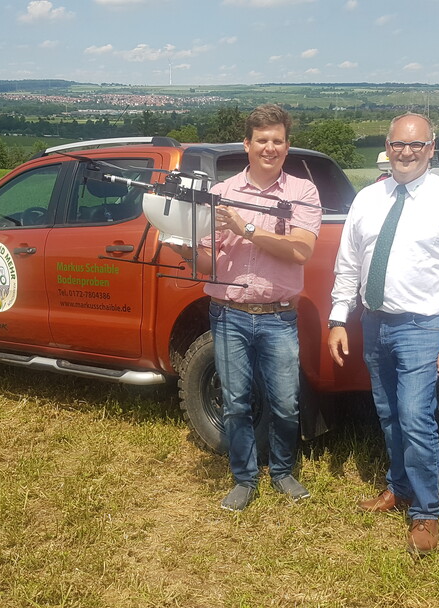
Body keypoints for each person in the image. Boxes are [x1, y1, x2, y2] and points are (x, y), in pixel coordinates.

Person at [327, 113, 439, 555]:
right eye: (399, 144)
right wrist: (339, 318)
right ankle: (399, 488)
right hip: (375, 323)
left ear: (432, 149)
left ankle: (426, 513)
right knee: (389, 413)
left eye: (417, 145)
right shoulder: (368, 199)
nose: (407, 152)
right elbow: (349, 264)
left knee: (416, 416)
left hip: (425, 325)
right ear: (388, 147)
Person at [174, 104, 323, 511]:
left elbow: (300, 251)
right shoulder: (220, 195)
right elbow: (207, 261)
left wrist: (247, 229)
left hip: (278, 315)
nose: (269, 148)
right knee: (237, 401)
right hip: (228, 314)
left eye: (277, 141)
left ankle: (282, 472)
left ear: (286, 146)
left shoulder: (302, 194)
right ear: (247, 144)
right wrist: (182, 245)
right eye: (262, 140)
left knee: (285, 401)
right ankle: (242, 479)